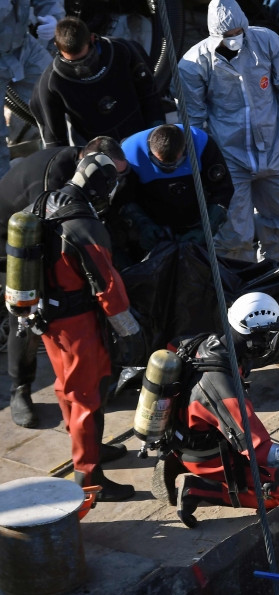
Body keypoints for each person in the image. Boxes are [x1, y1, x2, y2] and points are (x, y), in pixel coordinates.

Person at [27, 153, 144, 500]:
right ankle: (89, 478)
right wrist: (131, 333)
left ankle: (89, 446)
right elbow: (108, 287)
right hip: (77, 324)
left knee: (67, 388)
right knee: (87, 396)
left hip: (46, 318)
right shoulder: (85, 225)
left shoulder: (44, 202)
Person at [149, 293, 279, 528]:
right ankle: (197, 489)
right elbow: (258, 449)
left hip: (181, 435)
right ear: (256, 336)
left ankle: (176, 460)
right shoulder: (223, 388)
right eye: (269, 334)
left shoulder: (204, 343)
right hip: (207, 455)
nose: (271, 340)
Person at [0, 136, 128, 429]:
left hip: (43, 234)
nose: (116, 184)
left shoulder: (90, 172)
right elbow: (52, 237)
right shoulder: (53, 181)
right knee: (28, 309)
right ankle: (20, 388)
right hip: (14, 241)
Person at [178, 0, 279, 263]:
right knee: (233, 234)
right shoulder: (193, 63)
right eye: (227, 35)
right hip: (230, 158)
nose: (234, 38)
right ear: (214, 34)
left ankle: (276, 270)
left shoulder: (266, 42)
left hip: (273, 151)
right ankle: (240, 278)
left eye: (238, 32)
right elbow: (192, 119)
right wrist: (201, 166)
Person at [31, 17, 165, 147]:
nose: (80, 68)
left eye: (85, 59)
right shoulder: (51, 82)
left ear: (92, 39)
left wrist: (156, 131)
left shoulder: (121, 49)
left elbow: (150, 94)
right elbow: (54, 139)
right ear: (57, 47)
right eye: (72, 62)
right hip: (95, 150)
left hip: (140, 135)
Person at [119, 123, 234, 252]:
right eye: (162, 164)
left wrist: (206, 228)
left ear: (185, 148)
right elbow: (123, 198)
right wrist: (142, 224)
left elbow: (223, 190)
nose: (169, 169)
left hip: (194, 219)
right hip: (152, 222)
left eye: (175, 163)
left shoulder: (201, 143)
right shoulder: (130, 152)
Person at [0, 0, 62, 176]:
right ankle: (4, 187)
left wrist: (54, 19)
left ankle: (77, 162)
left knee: (64, 95)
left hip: (23, 48)